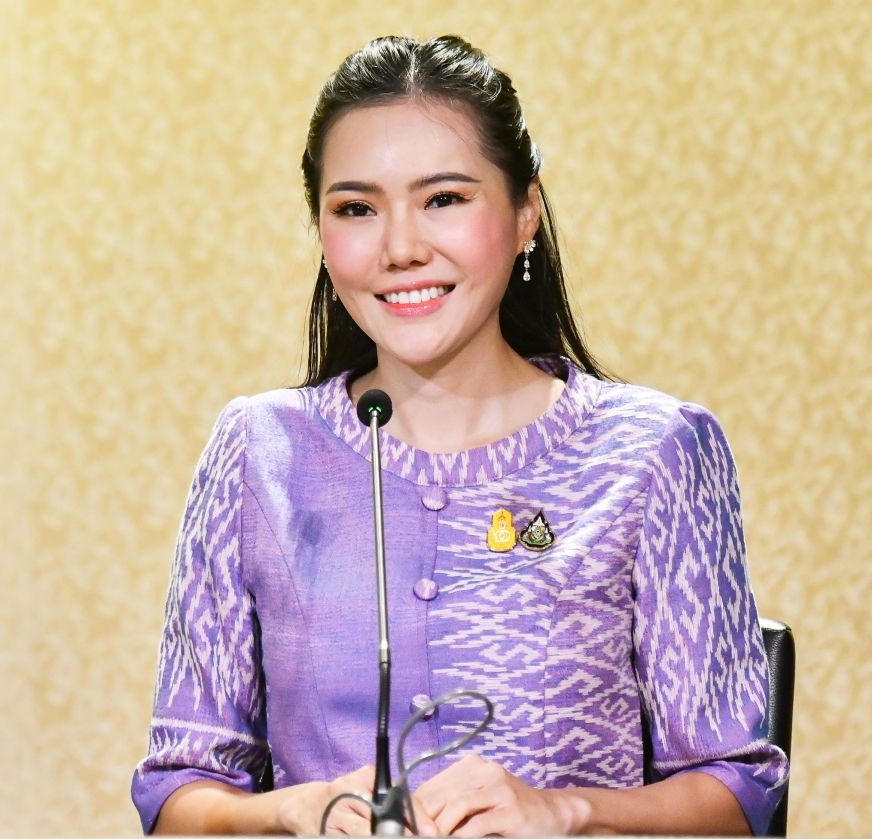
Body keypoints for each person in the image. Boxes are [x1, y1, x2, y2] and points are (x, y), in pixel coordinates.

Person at [131, 34, 787, 836]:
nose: (402, 247)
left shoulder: (654, 451)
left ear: (525, 213)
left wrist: (565, 810)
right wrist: (291, 810)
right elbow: (178, 796)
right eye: (357, 208)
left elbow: (737, 798)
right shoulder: (257, 451)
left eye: (444, 198)